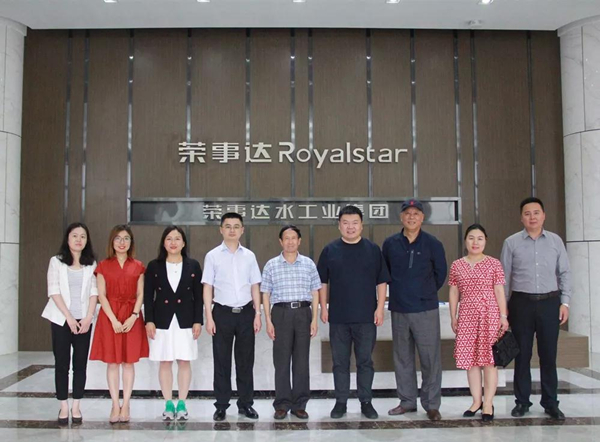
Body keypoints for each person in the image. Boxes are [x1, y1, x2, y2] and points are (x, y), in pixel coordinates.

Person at [500, 197, 571, 420]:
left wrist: (565, 302)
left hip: (550, 302)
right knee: (522, 355)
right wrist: (503, 309)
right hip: (521, 304)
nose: (532, 217)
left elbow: (565, 273)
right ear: (521, 217)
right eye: (527, 213)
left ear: (543, 215)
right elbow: (504, 278)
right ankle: (522, 402)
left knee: (548, 354)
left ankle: (550, 402)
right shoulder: (511, 242)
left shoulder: (555, 241)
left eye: (536, 212)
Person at [317, 205, 390, 420]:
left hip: (366, 317)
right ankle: (340, 402)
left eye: (355, 223)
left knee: (365, 362)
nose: (350, 227)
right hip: (338, 318)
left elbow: (382, 281)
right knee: (340, 362)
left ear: (361, 225)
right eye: (346, 223)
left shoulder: (373, 250)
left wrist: (380, 308)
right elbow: (322, 282)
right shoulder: (330, 250)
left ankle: (366, 401)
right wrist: (323, 307)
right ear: (339, 225)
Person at [382, 199, 447, 421]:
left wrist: (424, 292)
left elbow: (440, 274)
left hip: (425, 309)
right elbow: (385, 273)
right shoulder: (390, 244)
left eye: (416, 213)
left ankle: (431, 404)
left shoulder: (433, 243)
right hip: (399, 308)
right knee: (402, 358)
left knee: (430, 359)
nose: (411, 217)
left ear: (422, 217)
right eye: (407, 213)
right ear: (401, 217)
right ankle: (407, 401)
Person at [202, 213, 262, 422]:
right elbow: (207, 287)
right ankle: (221, 405)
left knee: (245, 362)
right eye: (228, 226)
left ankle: (246, 404)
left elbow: (255, 286)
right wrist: (209, 317)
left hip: (246, 313)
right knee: (222, 361)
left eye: (236, 226)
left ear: (242, 230)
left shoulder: (249, 256)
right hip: (222, 313)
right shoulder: (212, 256)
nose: (232, 230)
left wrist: (257, 314)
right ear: (221, 229)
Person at [448, 224, 508, 422]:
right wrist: (453, 316)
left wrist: (503, 316)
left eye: (480, 238)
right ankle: (476, 401)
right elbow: (454, 291)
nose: (475, 242)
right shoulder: (457, 265)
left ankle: (488, 403)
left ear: (485, 241)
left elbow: (499, 290)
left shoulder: (494, 263)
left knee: (489, 362)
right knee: (471, 362)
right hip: (466, 316)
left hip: (489, 316)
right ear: (465, 241)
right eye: (471, 238)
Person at [261, 225, 321, 420]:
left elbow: (315, 292)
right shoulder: (271, 265)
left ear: (299, 241)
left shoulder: (308, 264)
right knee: (281, 361)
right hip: (281, 313)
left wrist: (314, 319)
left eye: (293, 238)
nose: (290, 242)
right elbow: (265, 294)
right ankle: (282, 404)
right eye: (286, 238)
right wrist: (268, 320)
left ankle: (299, 404)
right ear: (280, 241)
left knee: (302, 361)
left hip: (303, 313)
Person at [90, 225, 148, 423]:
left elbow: (140, 294)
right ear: (112, 242)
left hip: (132, 316)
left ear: (131, 242)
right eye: (118, 238)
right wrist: (113, 319)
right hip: (110, 316)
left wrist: (134, 316)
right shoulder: (103, 266)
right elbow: (101, 295)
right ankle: (115, 404)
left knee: (129, 362)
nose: (122, 242)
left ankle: (126, 403)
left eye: (126, 238)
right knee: (113, 362)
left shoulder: (138, 266)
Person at [144, 226, 203, 421]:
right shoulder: (154, 266)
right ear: (163, 242)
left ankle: (182, 403)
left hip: (186, 320)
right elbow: (148, 296)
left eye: (177, 238)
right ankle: (168, 403)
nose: (173, 242)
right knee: (165, 361)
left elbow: (199, 297)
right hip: (162, 320)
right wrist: (149, 320)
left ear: (183, 243)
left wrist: (198, 321)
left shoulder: (193, 265)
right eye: (169, 238)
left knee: (184, 361)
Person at [42, 222, 98, 425]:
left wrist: (89, 317)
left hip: (84, 321)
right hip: (61, 320)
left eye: (83, 236)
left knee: (80, 364)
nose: (78, 240)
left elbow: (94, 292)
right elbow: (53, 291)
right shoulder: (56, 262)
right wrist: (69, 317)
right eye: (75, 235)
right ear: (67, 239)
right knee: (62, 363)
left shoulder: (91, 264)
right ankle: (63, 405)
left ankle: (76, 406)